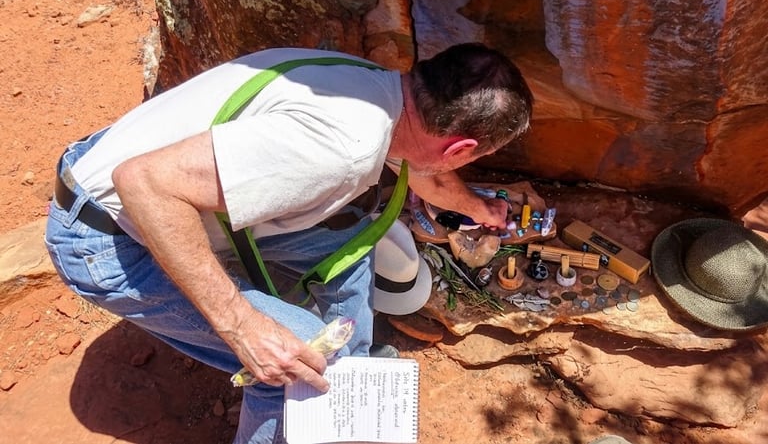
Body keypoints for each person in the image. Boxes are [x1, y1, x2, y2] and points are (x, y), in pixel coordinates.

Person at [45, 42, 533, 443]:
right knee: (299, 367)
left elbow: (421, 165)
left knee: (351, 237)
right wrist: (244, 327)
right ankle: (320, 391)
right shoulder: (342, 148)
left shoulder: (382, 92)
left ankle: (350, 386)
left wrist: (479, 209)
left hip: (128, 174)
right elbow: (144, 183)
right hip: (107, 236)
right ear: (460, 149)